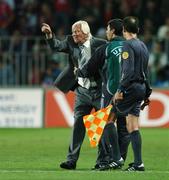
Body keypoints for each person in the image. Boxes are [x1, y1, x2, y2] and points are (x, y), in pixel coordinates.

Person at [41, 20, 107, 170]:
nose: (74, 34)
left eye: (77, 31)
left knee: (99, 127)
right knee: (77, 125)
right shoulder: (71, 42)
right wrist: (50, 35)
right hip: (82, 91)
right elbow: (56, 46)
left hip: (99, 90)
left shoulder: (101, 44)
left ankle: (102, 161)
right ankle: (71, 160)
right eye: (73, 31)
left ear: (86, 32)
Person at [76, 19, 130, 170]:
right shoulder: (131, 46)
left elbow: (88, 69)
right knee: (125, 127)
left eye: (107, 29)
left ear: (113, 31)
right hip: (131, 91)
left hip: (111, 92)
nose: (106, 32)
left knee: (105, 123)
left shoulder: (106, 48)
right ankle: (121, 159)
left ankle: (113, 158)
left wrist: (77, 71)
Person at [108, 16, 152, 171]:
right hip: (140, 88)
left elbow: (128, 71)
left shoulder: (127, 45)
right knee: (133, 126)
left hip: (130, 88)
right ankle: (139, 163)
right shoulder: (143, 46)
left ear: (124, 30)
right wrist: (147, 93)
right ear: (138, 30)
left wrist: (119, 90)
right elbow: (145, 72)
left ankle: (117, 158)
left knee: (108, 119)